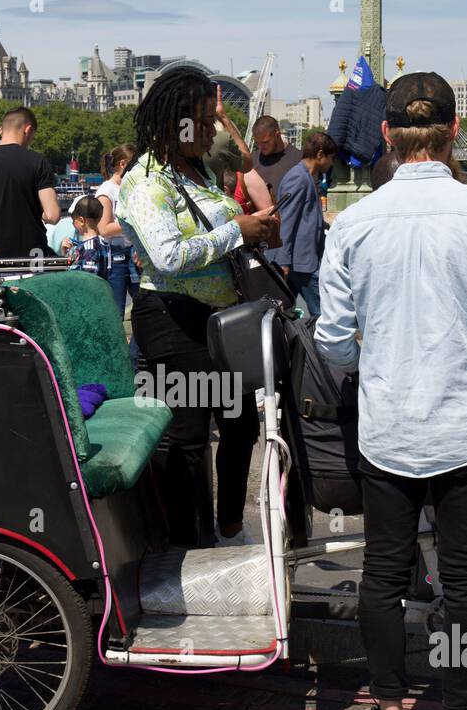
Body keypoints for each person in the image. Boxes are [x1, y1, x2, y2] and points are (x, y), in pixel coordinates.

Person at [317, 72, 467, 710]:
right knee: (466, 581)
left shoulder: (351, 223)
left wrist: (376, 359)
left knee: (383, 574)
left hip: (387, 427)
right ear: (453, 132)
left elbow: (334, 342)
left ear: (384, 133)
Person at [117, 67, 279, 548]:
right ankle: (185, 545)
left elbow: (217, 222)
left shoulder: (199, 169)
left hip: (215, 321)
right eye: (206, 122)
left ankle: (227, 525)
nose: (212, 132)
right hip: (171, 318)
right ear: (177, 124)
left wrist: (254, 232)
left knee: (239, 423)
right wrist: (237, 231)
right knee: (186, 439)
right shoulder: (146, 182)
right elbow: (167, 256)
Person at [0, 107, 60, 259]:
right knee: (36, 282)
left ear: (2, 130)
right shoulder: (38, 161)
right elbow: (52, 216)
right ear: (27, 130)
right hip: (35, 254)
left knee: (3, 283)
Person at [273, 131, 337, 317]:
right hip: (301, 262)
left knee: (288, 313)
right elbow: (287, 220)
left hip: (302, 261)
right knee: (325, 315)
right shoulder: (299, 178)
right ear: (319, 154)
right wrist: (283, 261)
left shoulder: (307, 177)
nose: (331, 163)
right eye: (330, 158)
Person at [95, 143, 139, 314]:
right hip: (115, 255)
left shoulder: (130, 188)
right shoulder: (107, 190)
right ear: (123, 164)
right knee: (116, 310)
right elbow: (104, 229)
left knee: (144, 306)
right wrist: (135, 222)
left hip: (133, 252)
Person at [243, 115, 302, 210]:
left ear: (277, 135)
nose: (261, 147)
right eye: (257, 143)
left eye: (265, 142)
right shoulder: (252, 160)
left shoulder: (299, 159)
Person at [66, 196, 110, 279]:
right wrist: (67, 252)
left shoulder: (89, 248)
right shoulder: (103, 244)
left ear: (82, 221)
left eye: (73, 221)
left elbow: (89, 279)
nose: (72, 224)